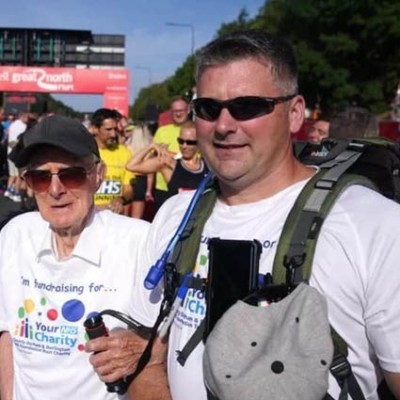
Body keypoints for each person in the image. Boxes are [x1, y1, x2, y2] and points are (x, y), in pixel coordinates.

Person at [97, 29, 400, 400]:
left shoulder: (373, 224)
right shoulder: (176, 216)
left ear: (294, 113)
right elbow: (145, 359)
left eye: (247, 106)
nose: (224, 125)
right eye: (208, 109)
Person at [0, 114, 151, 400]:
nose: (56, 190)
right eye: (40, 177)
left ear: (98, 175)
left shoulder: (138, 242)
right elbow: (6, 332)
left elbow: (169, 343)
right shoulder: (15, 235)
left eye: (71, 174)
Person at [126, 120, 208, 200]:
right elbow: (131, 166)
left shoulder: (208, 167)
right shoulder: (169, 163)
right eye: (181, 141)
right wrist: (151, 146)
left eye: (190, 142)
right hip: (178, 213)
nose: (184, 146)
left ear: (199, 143)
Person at [90, 108, 135, 214]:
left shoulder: (124, 153)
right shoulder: (84, 153)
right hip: (90, 216)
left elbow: (129, 190)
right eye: (108, 129)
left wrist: (119, 200)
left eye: (115, 129)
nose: (113, 134)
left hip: (115, 217)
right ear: (95, 129)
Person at [152, 96, 190, 211]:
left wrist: (169, 154)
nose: (178, 114)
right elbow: (156, 154)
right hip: (163, 187)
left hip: (188, 186)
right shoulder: (162, 131)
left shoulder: (196, 130)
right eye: (175, 111)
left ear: (188, 110)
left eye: (181, 111)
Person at [4, 112, 29, 202]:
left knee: (12, 175)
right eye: (27, 117)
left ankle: (8, 190)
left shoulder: (12, 125)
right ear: (23, 116)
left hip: (9, 152)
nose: (28, 119)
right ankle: (16, 193)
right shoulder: (23, 126)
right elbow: (20, 140)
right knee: (18, 176)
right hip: (17, 153)